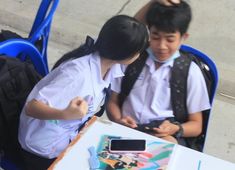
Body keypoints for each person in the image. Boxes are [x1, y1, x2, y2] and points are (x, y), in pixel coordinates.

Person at [18, 14, 149, 170]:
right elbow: (31, 107)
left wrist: (117, 124)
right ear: (124, 53)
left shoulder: (109, 67)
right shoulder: (77, 75)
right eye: (138, 51)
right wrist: (65, 114)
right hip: (41, 150)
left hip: (66, 139)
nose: (139, 55)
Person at [107, 0, 211, 145]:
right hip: (126, 131)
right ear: (148, 31)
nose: (162, 46)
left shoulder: (189, 72)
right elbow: (112, 101)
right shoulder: (131, 59)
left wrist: (175, 128)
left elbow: (196, 125)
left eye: (170, 39)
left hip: (162, 137)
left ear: (183, 38)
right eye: (155, 37)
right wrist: (118, 119)